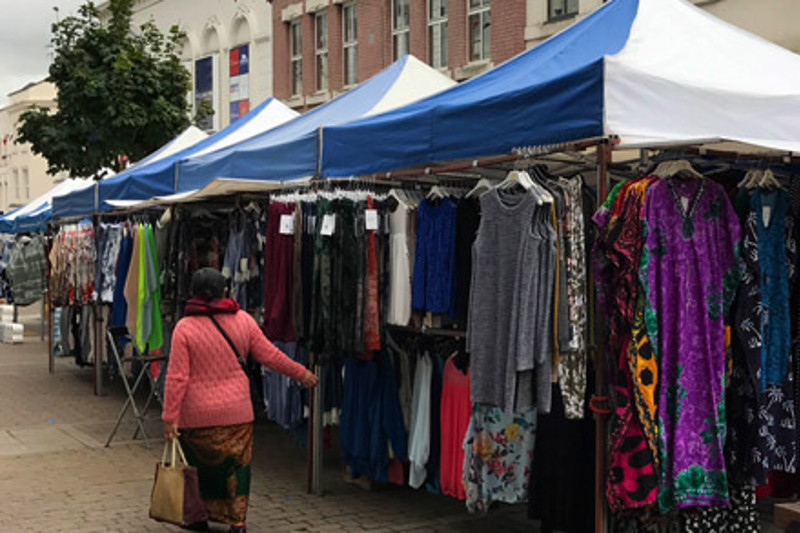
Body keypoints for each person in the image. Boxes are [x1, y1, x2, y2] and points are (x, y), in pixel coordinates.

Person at [162, 268, 318, 533]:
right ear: (224, 290)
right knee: (237, 467)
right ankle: (237, 522)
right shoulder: (243, 320)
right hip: (237, 413)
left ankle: (199, 516)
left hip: (196, 415)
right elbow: (270, 355)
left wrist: (169, 417)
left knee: (199, 468)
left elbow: (177, 378)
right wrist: (301, 373)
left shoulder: (184, 329)